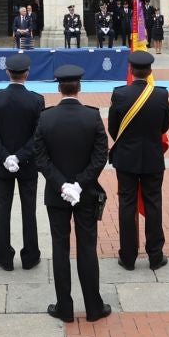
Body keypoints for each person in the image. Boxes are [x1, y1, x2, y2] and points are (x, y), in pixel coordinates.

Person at [32, 64, 109, 322]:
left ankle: (65, 308)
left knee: (60, 249)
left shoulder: (46, 118)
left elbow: (40, 158)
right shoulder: (92, 117)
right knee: (87, 248)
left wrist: (62, 185)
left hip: (57, 195)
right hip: (85, 193)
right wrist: (79, 184)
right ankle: (93, 307)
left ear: (59, 88)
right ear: (79, 87)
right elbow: (100, 157)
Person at [107, 51, 169, 271]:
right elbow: (165, 126)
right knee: (154, 204)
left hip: (126, 159)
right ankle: (155, 255)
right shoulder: (161, 95)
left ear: (131, 71)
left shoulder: (120, 94)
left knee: (127, 205)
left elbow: (113, 129)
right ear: (150, 71)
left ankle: (128, 256)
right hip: (153, 157)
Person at [0, 51, 45, 271]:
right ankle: (30, 256)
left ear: (8, 72)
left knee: (4, 211)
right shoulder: (36, 100)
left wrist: (6, 157)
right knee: (29, 211)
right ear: (27, 74)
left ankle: (4, 256)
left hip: (3, 164)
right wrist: (20, 157)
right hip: (28, 164)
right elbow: (37, 137)